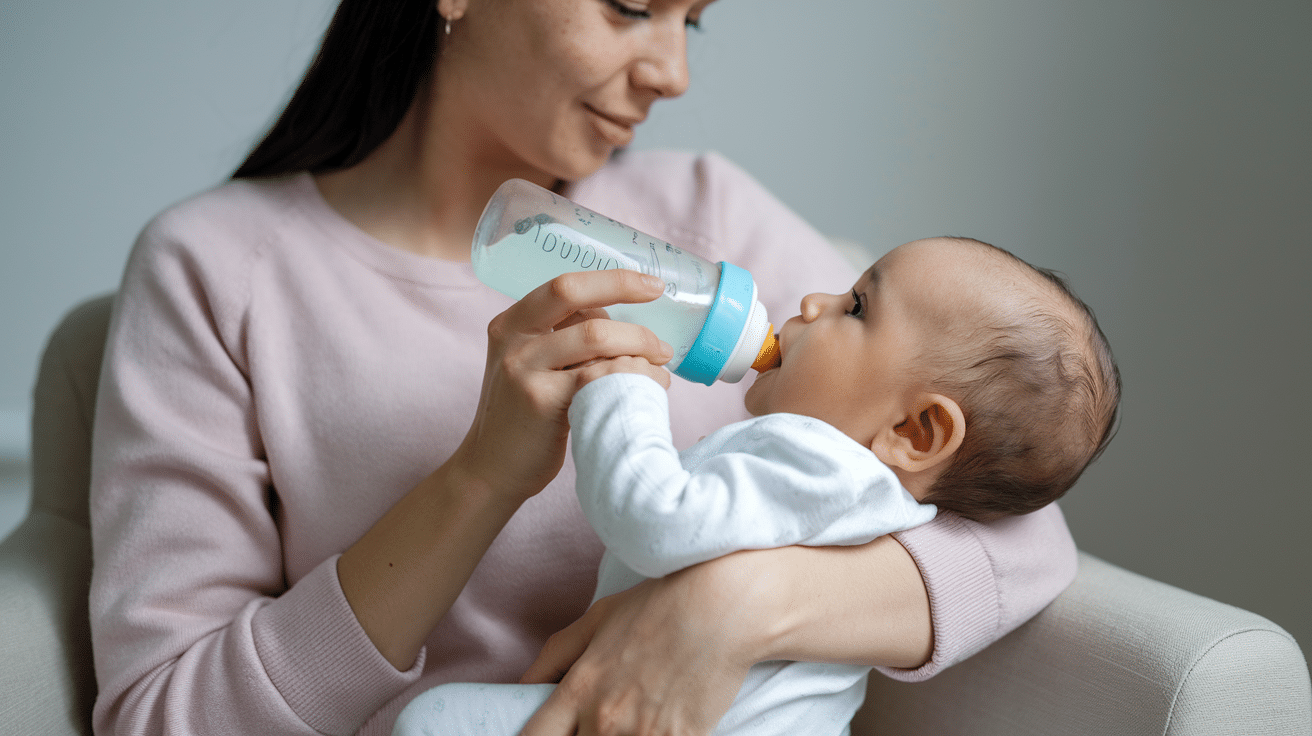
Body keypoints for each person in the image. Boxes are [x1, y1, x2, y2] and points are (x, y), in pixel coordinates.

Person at [87, 2, 1081, 734]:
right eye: (633, 9)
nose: (672, 71)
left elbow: (1015, 518)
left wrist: (726, 611)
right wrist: (480, 477)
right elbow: (164, 715)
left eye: (693, 21)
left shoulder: (704, 217)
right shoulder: (218, 269)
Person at [392, 236, 1121, 735]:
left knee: (432, 723)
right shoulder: (857, 490)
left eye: (856, 308)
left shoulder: (817, 459)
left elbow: (656, 518)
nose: (810, 302)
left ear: (917, 433)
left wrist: (623, 387)